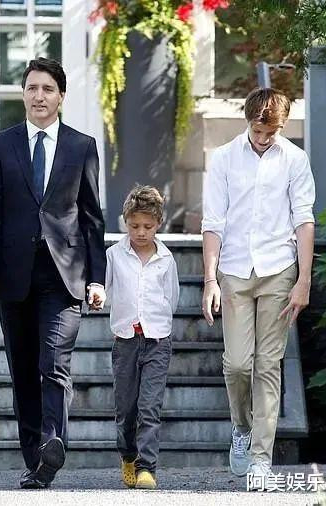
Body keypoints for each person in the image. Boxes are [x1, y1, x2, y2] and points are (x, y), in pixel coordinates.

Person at [0, 57, 107, 489]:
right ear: (23, 94)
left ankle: (52, 440)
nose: (39, 96)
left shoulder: (81, 145)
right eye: (32, 88)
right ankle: (37, 460)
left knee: (54, 363)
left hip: (64, 275)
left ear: (61, 96)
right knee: (24, 371)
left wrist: (97, 278)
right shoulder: (1, 144)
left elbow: (91, 218)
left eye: (47, 89)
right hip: (14, 275)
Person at [201, 88, 315, 486]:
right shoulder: (224, 158)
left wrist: (303, 280)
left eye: (273, 131)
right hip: (234, 269)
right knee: (237, 363)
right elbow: (212, 222)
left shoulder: (295, 159)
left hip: (279, 269)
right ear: (248, 120)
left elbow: (303, 219)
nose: (265, 138)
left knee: (268, 365)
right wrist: (210, 279)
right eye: (258, 130)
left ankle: (261, 459)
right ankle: (241, 426)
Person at [106, 185, 179, 490]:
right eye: (134, 225)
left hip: (157, 341)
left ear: (158, 223)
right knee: (126, 408)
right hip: (125, 341)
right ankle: (128, 455)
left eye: (148, 226)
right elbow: (107, 291)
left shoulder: (166, 259)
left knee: (150, 406)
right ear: (125, 222)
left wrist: (156, 323)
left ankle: (147, 466)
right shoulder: (114, 255)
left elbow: (171, 298)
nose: (140, 232)